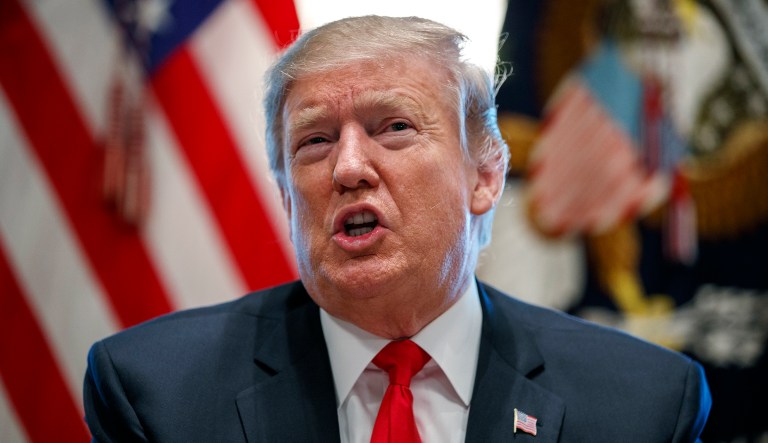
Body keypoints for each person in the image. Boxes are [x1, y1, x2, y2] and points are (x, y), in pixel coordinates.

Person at [83, 15, 711, 442]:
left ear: (485, 175)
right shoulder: (157, 396)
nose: (350, 167)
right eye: (315, 140)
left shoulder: (642, 406)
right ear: (285, 196)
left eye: (394, 127)